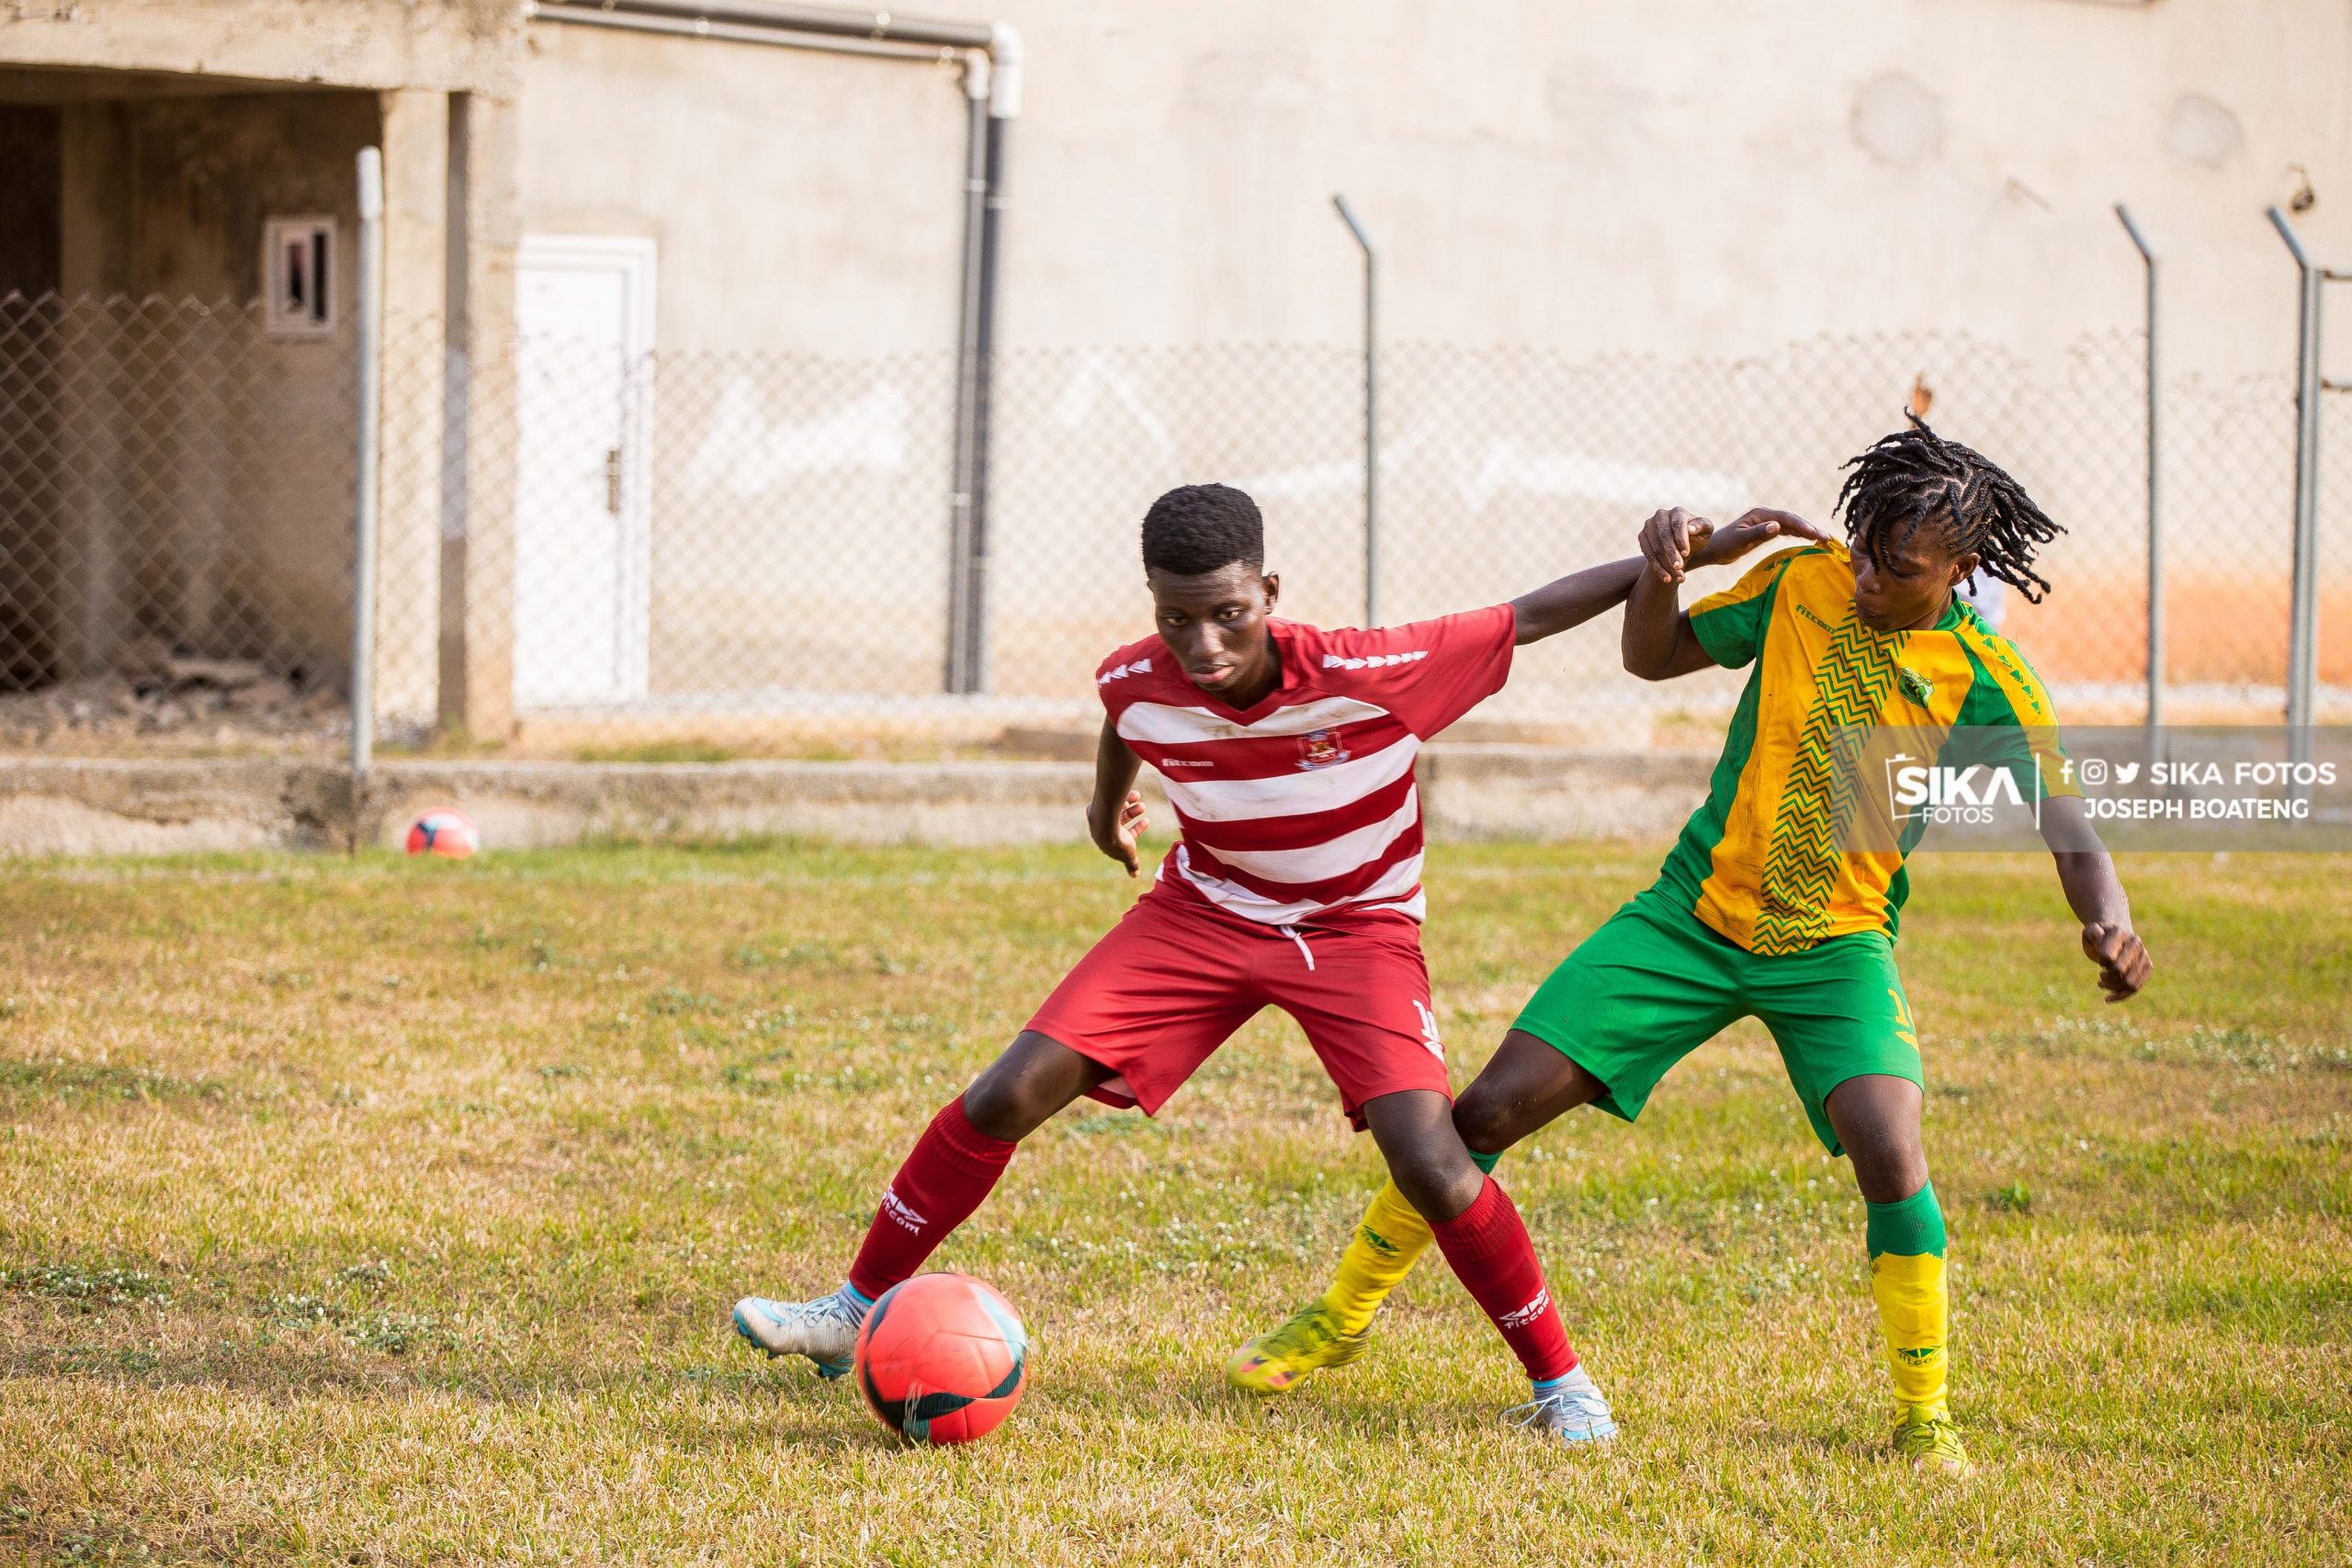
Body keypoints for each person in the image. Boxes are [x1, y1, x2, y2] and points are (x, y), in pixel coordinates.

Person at [731, 480, 1818, 1441]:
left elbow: (1531, 614)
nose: (1202, 644)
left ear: (1270, 593)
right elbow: (1125, 715)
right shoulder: (1139, 676)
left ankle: (1560, 1383)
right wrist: (1104, 804)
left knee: (1433, 1164)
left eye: (1227, 615)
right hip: (1201, 917)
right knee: (1009, 1090)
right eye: (1176, 618)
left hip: (1357, 932)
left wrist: (1686, 560)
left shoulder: (1368, 670)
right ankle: (852, 1308)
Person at [1226, 418, 2154, 1474]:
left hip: (1833, 950)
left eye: (1897, 572)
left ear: (1961, 570)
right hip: (1688, 922)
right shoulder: (1801, 587)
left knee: (1891, 1153)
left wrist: (2108, 919)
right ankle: (1339, 1320)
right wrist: (1661, 569)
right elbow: (1652, 656)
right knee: (1481, 1111)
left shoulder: (1987, 673)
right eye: (1863, 553)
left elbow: (2067, 824)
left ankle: (1924, 1416)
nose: (1867, 583)